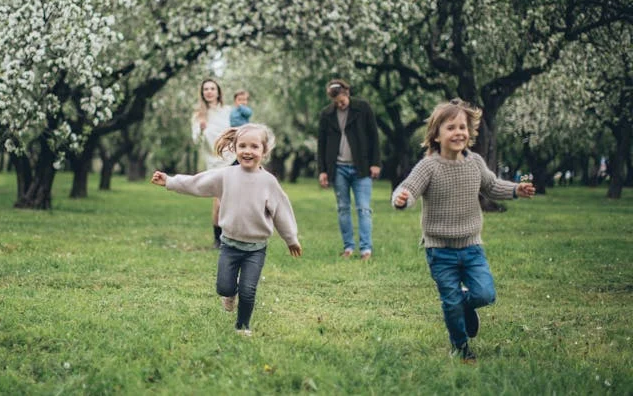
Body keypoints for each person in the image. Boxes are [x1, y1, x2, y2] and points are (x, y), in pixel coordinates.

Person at [391, 98, 535, 363]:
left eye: (463, 127)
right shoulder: (429, 166)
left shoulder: (475, 163)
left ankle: (467, 306)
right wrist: (402, 198)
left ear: (470, 132)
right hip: (440, 251)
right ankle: (461, 347)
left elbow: (491, 187)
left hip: (471, 247)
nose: (458, 132)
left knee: (485, 294)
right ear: (436, 134)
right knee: (450, 302)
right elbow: (409, 188)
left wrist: (515, 189)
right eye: (451, 128)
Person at [151, 124, 302, 336]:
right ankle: (229, 294)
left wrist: (291, 238)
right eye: (242, 146)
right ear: (234, 148)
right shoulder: (226, 175)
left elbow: (282, 212)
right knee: (224, 287)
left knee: (248, 291)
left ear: (264, 151)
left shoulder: (269, 182)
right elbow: (197, 183)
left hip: (255, 249)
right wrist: (170, 181)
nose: (248, 151)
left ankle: (242, 327)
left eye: (254, 146)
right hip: (229, 245)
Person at [317, 79, 381, 260]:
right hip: (338, 168)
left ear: (347, 92)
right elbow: (321, 144)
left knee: (363, 208)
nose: (340, 103)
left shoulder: (363, 108)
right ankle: (348, 247)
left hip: (361, 167)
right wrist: (322, 170)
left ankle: (366, 249)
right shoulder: (327, 115)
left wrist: (375, 163)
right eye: (336, 101)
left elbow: (373, 136)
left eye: (342, 99)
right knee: (343, 208)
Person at [191, 78, 233, 248]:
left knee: (232, 199)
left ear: (218, 92)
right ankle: (218, 239)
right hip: (215, 162)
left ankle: (233, 236)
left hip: (233, 158)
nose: (209, 91)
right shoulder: (198, 115)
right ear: (202, 93)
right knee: (219, 200)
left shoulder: (227, 111)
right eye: (206, 89)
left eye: (212, 88)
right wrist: (201, 130)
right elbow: (196, 140)